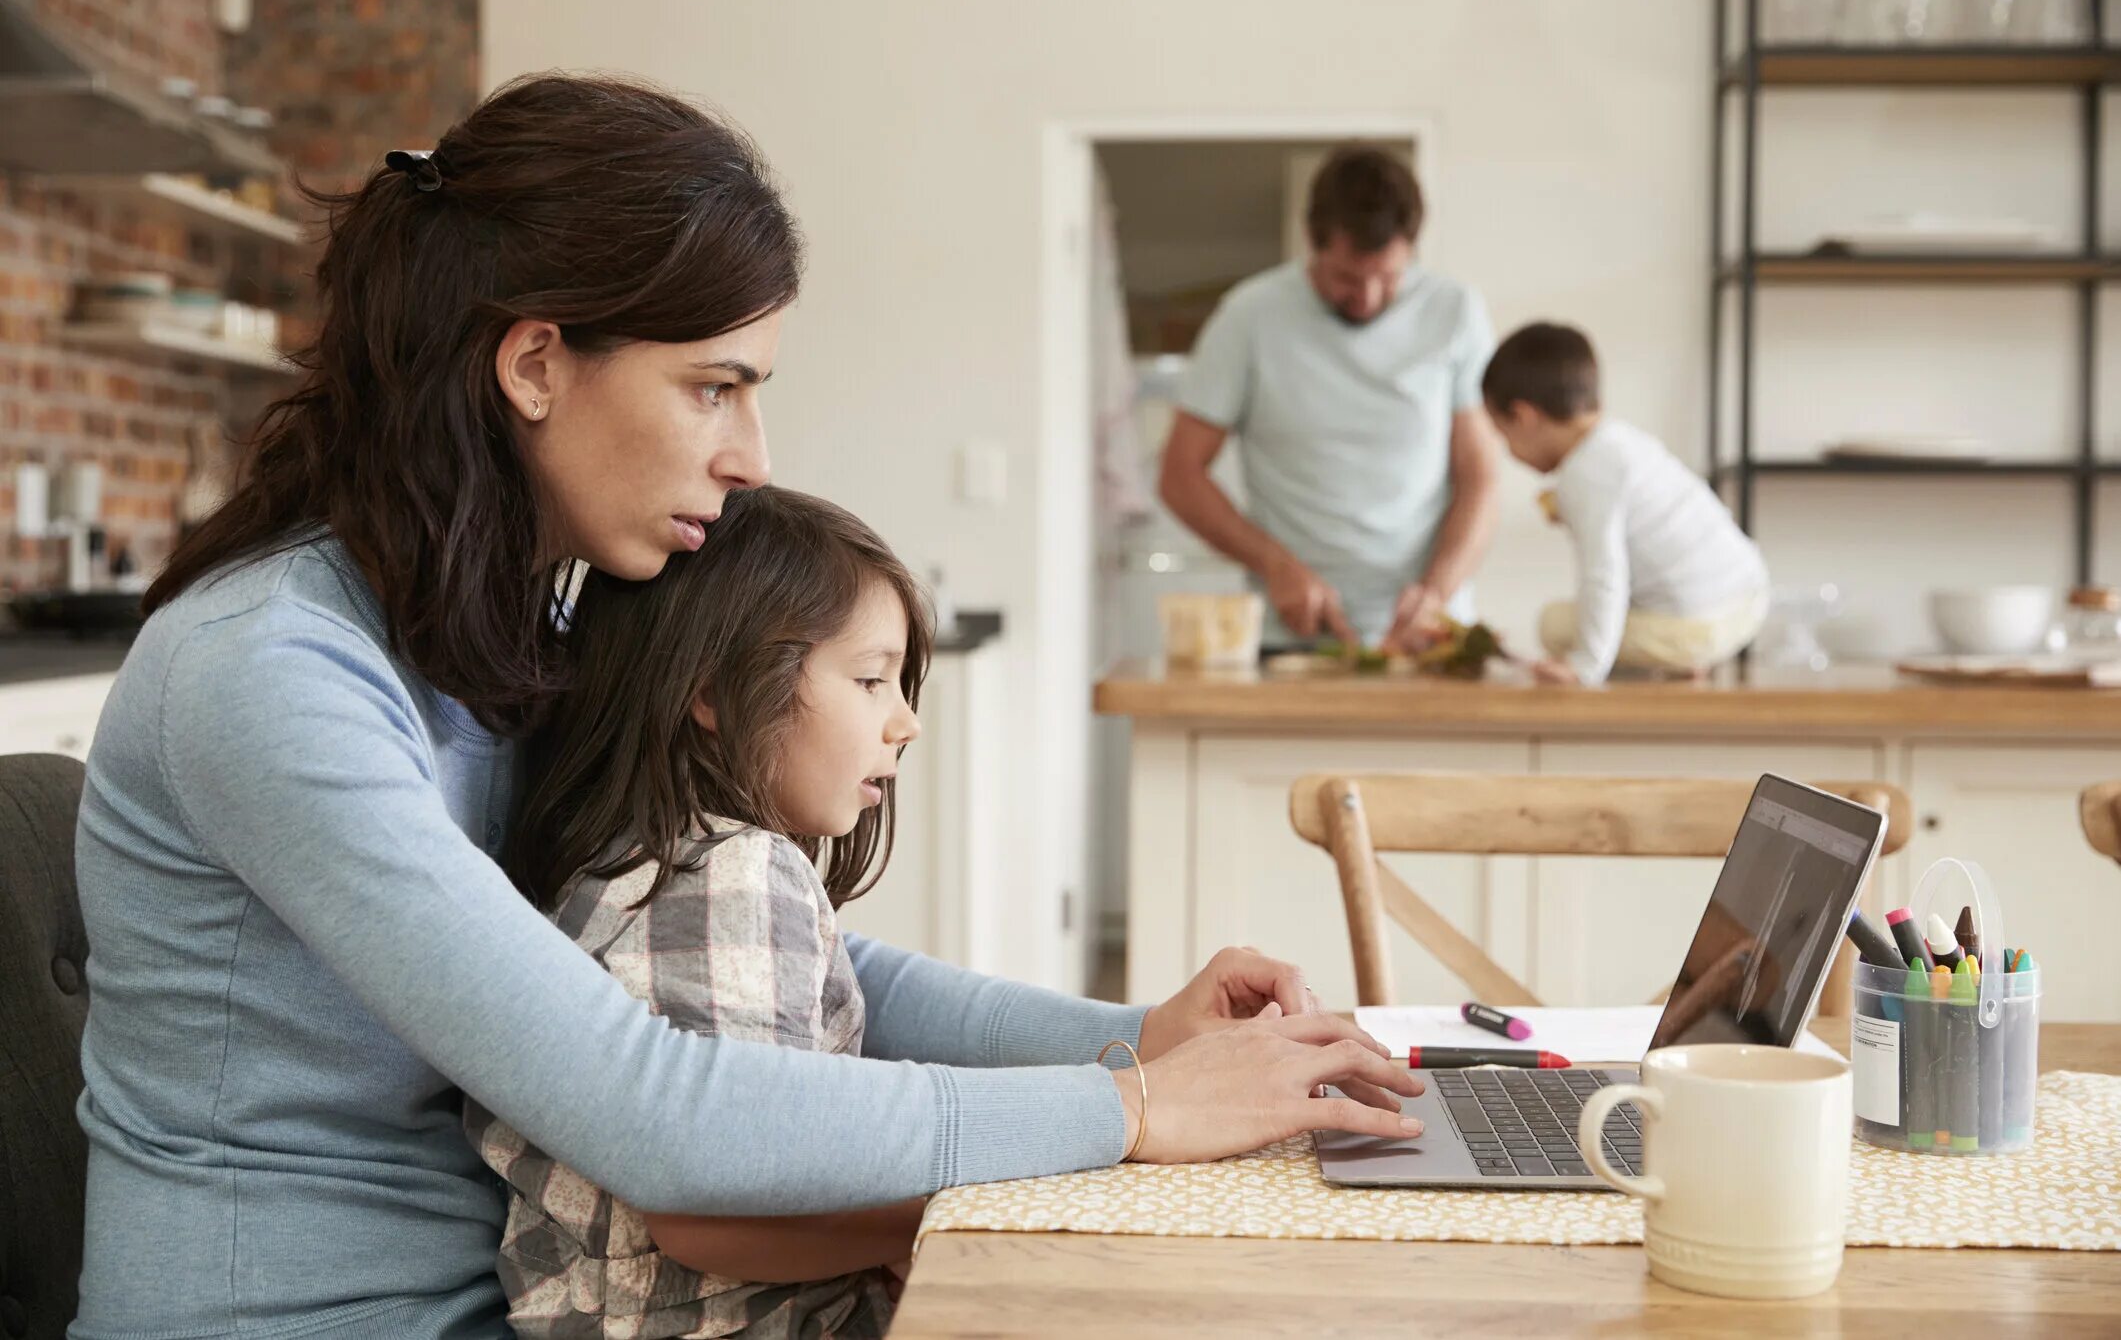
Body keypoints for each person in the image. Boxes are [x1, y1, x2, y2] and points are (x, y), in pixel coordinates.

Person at [67, 74, 1421, 1340]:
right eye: (714, 385)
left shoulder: (511, 624)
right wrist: (1132, 1106)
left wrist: (1135, 1036)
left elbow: (792, 961)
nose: (748, 455)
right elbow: (648, 1105)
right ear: (534, 364)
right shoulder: (274, 673)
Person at [471, 487, 935, 1338]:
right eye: (870, 678)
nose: (903, 721)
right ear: (715, 692)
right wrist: (944, 1214)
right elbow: (718, 1210)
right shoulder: (732, 873)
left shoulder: (630, 856)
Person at [1157, 145, 1502, 652]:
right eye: (1345, 278)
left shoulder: (1455, 313)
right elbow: (1179, 475)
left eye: (1387, 278)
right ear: (1312, 244)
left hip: (1425, 638)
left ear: (1411, 249)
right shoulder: (1249, 317)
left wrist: (1436, 592)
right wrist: (1274, 564)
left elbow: (1481, 477)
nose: (1366, 299)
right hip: (1291, 637)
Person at [1480, 321, 1770, 687]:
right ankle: (1680, 660)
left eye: (1503, 434)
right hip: (1747, 600)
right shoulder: (1622, 442)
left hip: (1697, 627)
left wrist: (1584, 665)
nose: (1509, 451)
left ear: (1524, 417)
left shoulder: (1584, 473)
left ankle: (1672, 657)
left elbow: (1603, 575)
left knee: (1555, 625)